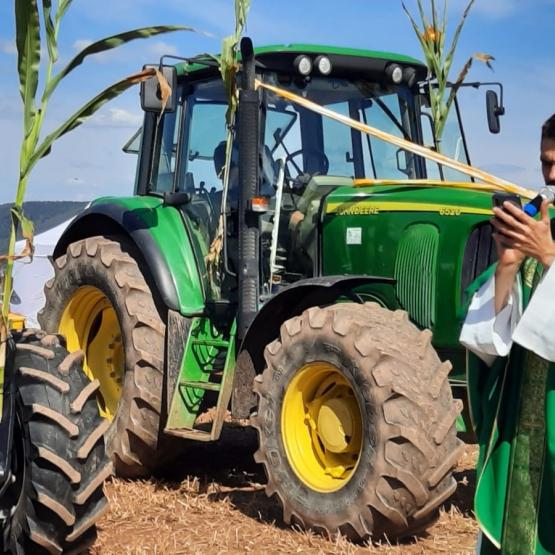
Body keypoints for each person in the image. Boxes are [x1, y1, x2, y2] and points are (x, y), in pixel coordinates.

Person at [460, 114, 555, 554]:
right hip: (521, 424)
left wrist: (549, 257)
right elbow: (488, 339)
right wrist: (510, 264)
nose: (551, 175)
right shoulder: (538, 221)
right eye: (545, 163)